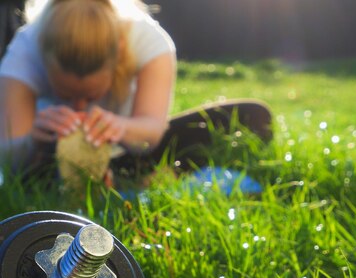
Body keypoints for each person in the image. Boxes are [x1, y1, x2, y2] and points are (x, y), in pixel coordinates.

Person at [0, 0, 272, 185]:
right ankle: (137, 180)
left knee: (254, 117)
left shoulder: (148, 39)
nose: (80, 108)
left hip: (133, 151)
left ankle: (121, 177)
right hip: (51, 161)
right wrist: (34, 139)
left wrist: (119, 127)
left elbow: (152, 131)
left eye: (92, 95)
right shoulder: (24, 51)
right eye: (65, 95)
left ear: (119, 53)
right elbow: (8, 162)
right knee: (28, 175)